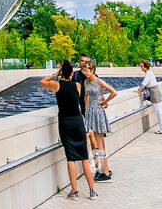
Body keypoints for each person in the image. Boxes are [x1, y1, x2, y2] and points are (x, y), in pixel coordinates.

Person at [40, 60, 97, 198]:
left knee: (70, 158)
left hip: (65, 123)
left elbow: (42, 82)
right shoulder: (77, 85)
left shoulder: (56, 85)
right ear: (72, 73)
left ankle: (75, 191)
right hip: (78, 122)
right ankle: (92, 191)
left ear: (61, 73)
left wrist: (55, 74)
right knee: (84, 157)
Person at [83, 62, 117, 180]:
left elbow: (114, 92)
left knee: (100, 143)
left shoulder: (99, 81)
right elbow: (86, 97)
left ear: (92, 70)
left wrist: (104, 102)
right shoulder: (86, 82)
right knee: (96, 144)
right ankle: (101, 169)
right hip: (90, 113)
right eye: (84, 71)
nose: (85, 73)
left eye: (87, 70)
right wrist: (86, 112)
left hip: (98, 113)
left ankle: (106, 172)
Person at [138, 58, 162, 134]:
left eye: (142, 67)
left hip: (154, 94)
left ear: (145, 67)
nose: (141, 68)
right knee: (160, 111)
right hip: (156, 93)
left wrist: (139, 91)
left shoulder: (148, 74)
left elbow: (144, 84)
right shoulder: (150, 72)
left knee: (159, 112)